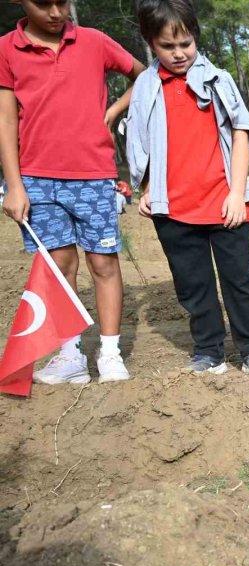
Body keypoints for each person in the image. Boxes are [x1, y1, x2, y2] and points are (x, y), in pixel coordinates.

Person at [0, 0, 145, 384]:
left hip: (93, 174)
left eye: (62, 2)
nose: (55, 11)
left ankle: (110, 352)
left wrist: (114, 111)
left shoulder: (95, 41)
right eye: (42, 3)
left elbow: (143, 76)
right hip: (36, 178)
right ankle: (70, 355)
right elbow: (4, 117)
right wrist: (13, 186)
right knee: (57, 267)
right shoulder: (5, 49)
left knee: (103, 263)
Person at [127, 0, 249, 375]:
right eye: (167, 46)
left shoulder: (218, 79)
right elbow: (140, 142)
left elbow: (242, 133)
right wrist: (146, 188)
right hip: (173, 207)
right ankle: (208, 349)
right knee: (193, 286)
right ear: (150, 43)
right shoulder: (145, 86)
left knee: (240, 281)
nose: (179, 54)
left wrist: (237, 193)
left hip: (224, 202)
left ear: (195, 37)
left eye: (186, 44)